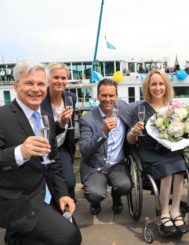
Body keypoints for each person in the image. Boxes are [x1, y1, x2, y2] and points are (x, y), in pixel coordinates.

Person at [0, 61, 81, 244]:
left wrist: (62, 194)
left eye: (40, 84)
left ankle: (18, 234)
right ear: (15, 86)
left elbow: (54, 161)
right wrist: (20, 152)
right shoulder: (2, 117)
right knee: (69, 237)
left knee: (75, 235)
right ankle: (16, 235)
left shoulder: (46, 118)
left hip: (47, 192)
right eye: (29, 83)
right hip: (20, 200)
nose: (36, 89)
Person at [127, 69, 188, 236]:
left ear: (166, 86)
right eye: (154, 84)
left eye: (161, 83)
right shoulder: (140, 109)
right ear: (148, 87)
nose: (158, 87)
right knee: (168, 171)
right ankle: (164, 213)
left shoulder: (174, 107)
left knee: (181, 167)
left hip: (170, 150)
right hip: (148, 151)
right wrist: (133, 131)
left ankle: (175, 211)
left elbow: (182, 132)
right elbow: (131, 141)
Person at [79, 78, 132, 215]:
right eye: (103, 95)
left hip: (117, 164)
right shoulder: (87, 119)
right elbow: (84, 150)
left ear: (116, 97)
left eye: (111, 95)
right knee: (95, 194)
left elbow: (142, 105)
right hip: (95, 166)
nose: (108, 99)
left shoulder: (124, 108)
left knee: (125, 186)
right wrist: (103, 132)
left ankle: (116, 197)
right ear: (97, 96)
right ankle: (95, 202)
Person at [41, 62, 77, 198]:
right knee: (47, 182)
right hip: (44, 147)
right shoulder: (41, 100)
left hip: (62, 147)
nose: (60, 81)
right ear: (48, 79)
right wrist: (60, 123)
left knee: (69, 182)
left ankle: (70, 203)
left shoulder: (71, 98)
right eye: (56, 77)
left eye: (63, 78)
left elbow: (72, 123)